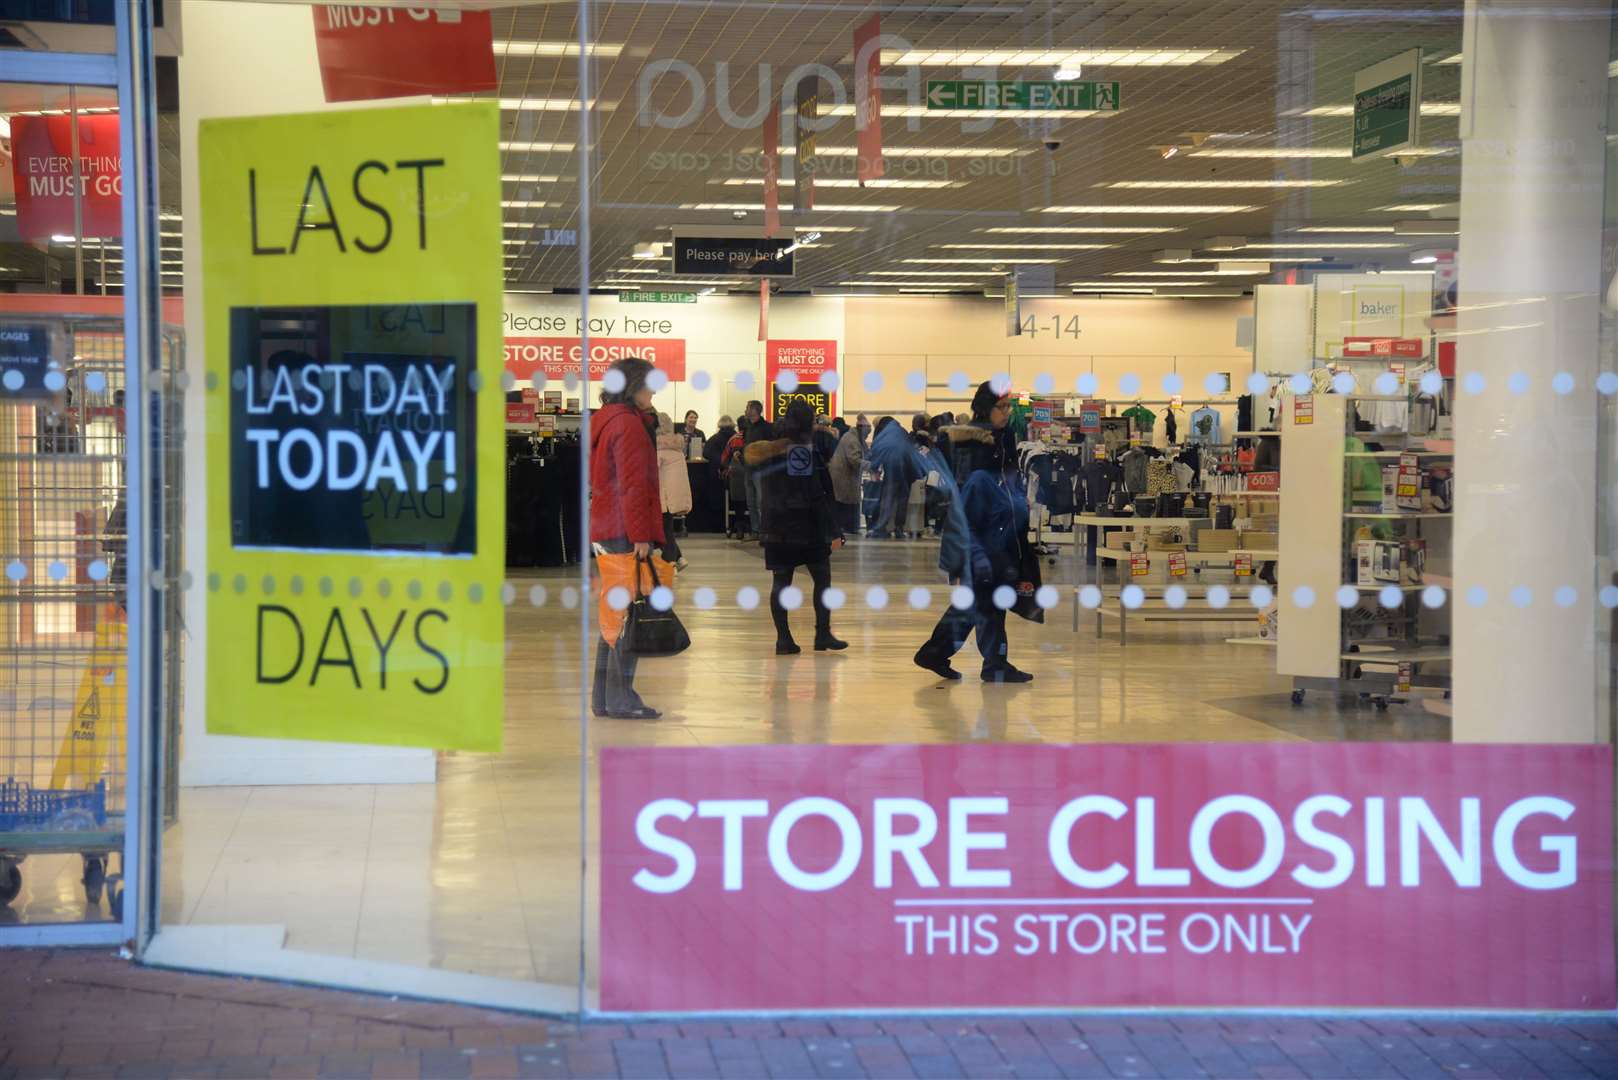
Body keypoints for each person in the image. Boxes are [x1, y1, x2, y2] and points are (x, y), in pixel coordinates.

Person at [913, 380, 1034, 684]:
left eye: (1008, 407)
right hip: (980, 535)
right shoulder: (973, 446)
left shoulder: (1000, 439)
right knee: (988, 599)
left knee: (980, 599)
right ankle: (993, 663)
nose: (1007, 413)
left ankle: (938, 652)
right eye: (1001, 407)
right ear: (985, 408)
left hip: (995, 533)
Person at [589, 357, 667, 720]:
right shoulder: (630, 426)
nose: (654, 391)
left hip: (606, 527)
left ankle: (605, 698)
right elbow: (633, 486)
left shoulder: (605, 419)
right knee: (627, 617)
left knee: (613, 617)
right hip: (623, 530)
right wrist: (641, 536)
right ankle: (621, 700)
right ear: (634, 385)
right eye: (650, 384)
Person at [745, 400, 847, 655]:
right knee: (822, 578)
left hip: (775, 525)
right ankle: (822, 633)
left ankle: (784, 638)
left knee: (781, 582)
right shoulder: (799, 451)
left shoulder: (771, 449)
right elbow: (813, 493)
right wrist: (834, 528)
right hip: (803, 526)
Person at [655, 412, 692, 570]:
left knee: (663, 531)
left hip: (663, 497)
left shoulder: (659, 450)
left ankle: (669, 563)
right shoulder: (677, 450)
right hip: (673, 497)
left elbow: (651, 474)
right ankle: (679, 558)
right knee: (666, 529)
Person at [828, 413, 869, 536]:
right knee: (847, 502)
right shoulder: (852, 439)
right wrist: (870, 465)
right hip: (844, 477)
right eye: (867, 433)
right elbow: (854, 460)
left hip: (845, 476)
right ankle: (849, 527)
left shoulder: (854, 437)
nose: (867, 436)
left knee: (847, 501)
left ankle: (848, 527)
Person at [742, 400, 773, 537]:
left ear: (754, 410)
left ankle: (764, 530)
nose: (745, 410)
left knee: (762, 501)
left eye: (747, 407)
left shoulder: (767, 427)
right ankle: (755, 529)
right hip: (749, 468)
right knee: (751, 501)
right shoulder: (747, 427)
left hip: (762, 468)